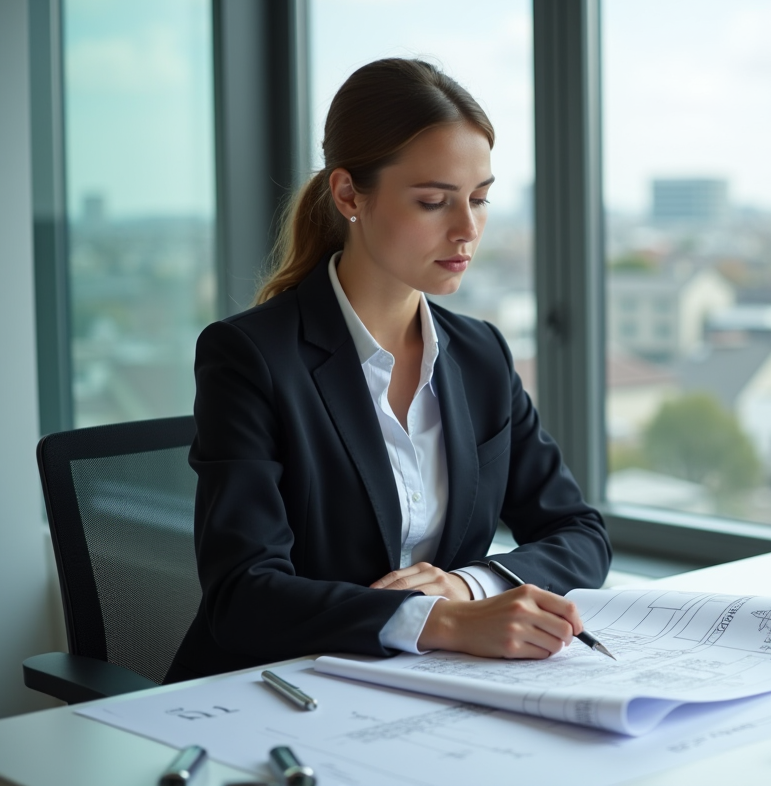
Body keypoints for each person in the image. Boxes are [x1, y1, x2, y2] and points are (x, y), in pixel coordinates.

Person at [165, 59, 611, 683]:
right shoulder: (250, 357)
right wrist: (438, 622)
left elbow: (581, 533)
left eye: (480, 200)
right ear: (349, 195)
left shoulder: (480, 354)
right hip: (277, 689)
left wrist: (466, 587)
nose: (467, 231)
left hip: (427, 691)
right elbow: (243, 596)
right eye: (433, 202)